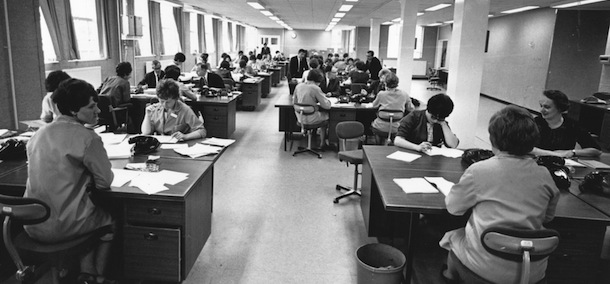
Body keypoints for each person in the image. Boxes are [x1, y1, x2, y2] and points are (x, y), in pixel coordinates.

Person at [440, 105, 560, 284]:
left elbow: (454, 208)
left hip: (486, 269)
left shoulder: (479, 170)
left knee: (453, 237)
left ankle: (448, 277)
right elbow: (548, 217)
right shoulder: (543, 174)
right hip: (532, 271)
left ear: (493, 138)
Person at [25, 78, 116, 284]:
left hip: (31, 223)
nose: (98, 111)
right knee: (108, 219)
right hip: (62, 227)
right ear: (74, 110)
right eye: (92, 106)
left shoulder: (38, 134)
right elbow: (104, 182)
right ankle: (95, 276)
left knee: (81, 212)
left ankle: (83, 271)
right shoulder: (88, 137)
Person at [532, 90, 601, 157]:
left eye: (547, 107)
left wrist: (572, 152)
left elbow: (596, 150)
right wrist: (555, 154)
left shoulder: (572, 125)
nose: (541, 110)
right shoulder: (533, 123)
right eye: (541, 106)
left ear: (559, 108)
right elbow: (525, 148)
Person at [141, 79, 206, 141]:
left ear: (176, 98)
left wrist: (185, 136)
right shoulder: (154, 109)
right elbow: (146, 133)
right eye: (162, 101)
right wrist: (147, 115)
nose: (164, 105)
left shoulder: (185, 110)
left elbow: (201, 131)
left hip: (179, 146)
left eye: (168, 102)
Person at [394, 93, 459, 152]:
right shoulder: (414, 116)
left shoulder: (440, 122)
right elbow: (398, 140)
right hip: (412, 154)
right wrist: (417, 147)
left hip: (432, 159)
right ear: (428, 110)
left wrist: (443, 123)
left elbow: (453, 145)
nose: (435, 121)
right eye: (433, 117)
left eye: (440, 119)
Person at [292, 69, 331, 149]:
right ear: (318, 80)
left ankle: (308, 137)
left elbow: (294, 102)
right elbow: (327, 106)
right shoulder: (315, 88)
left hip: (300, 118)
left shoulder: (298, 86)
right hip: (312, 118)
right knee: (326, 116)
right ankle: (322, 143)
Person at [371, 73, 413, 143]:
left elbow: (374, 105)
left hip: (380, 127)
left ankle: (378, 146)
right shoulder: (404, 94)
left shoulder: (381, 94)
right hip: (397, 128)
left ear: (385, 83)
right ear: (397, 83)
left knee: (374, 124)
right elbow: (411, 108)